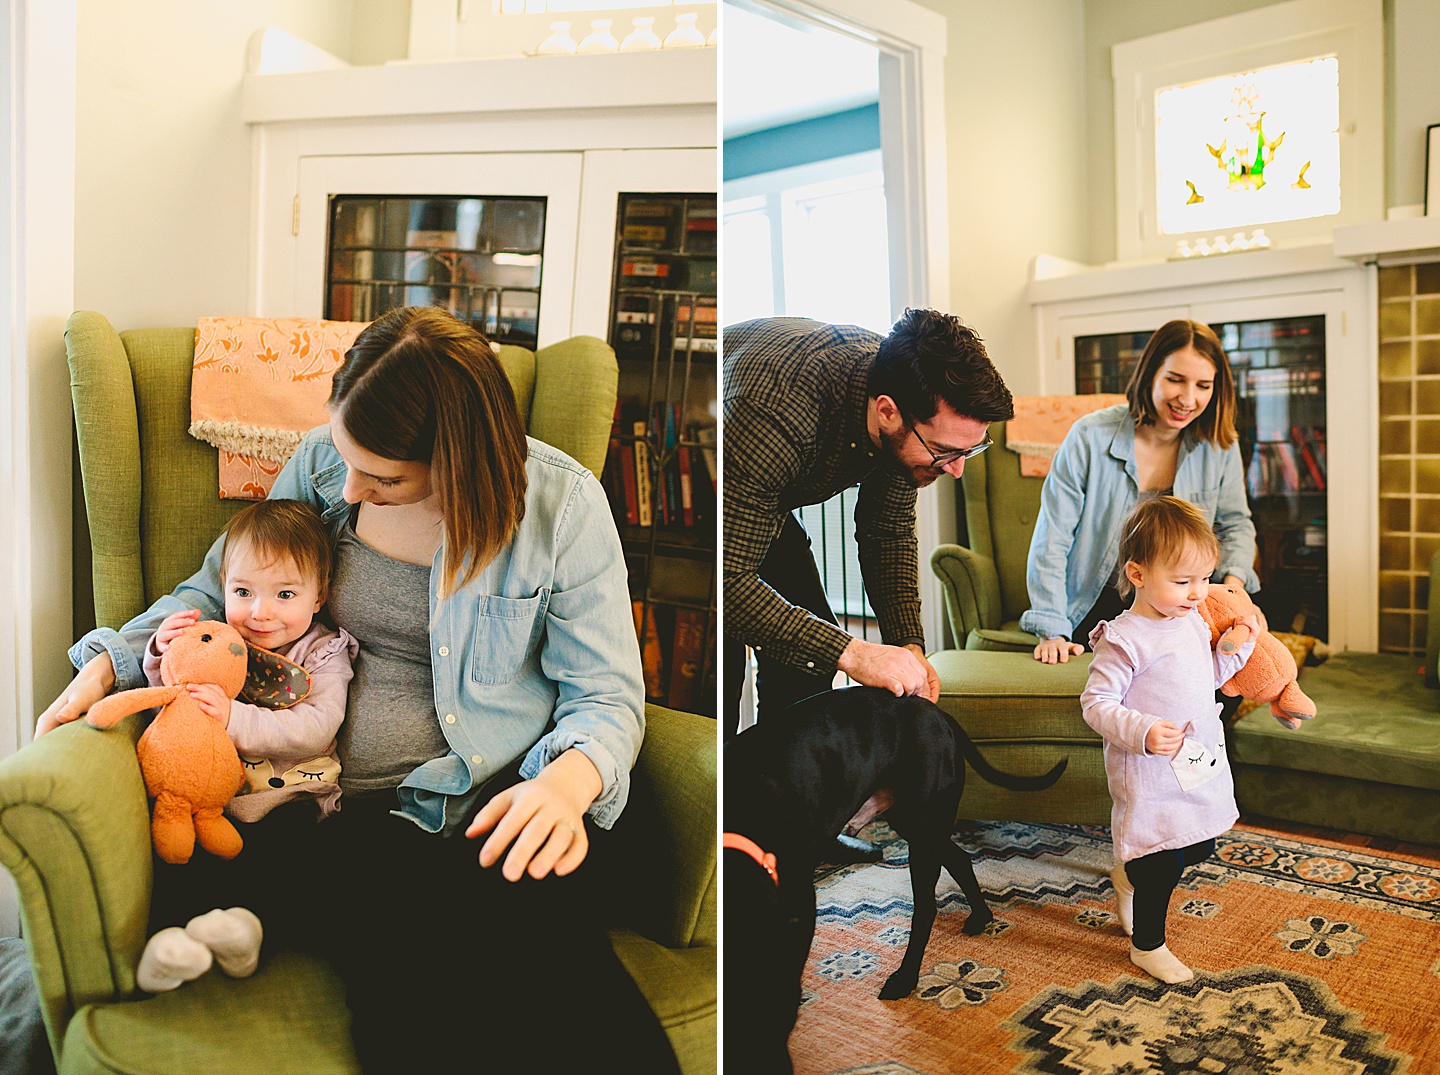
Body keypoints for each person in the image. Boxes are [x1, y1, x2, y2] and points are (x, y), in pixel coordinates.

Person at [37, 306, 678, 1074]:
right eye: (344, 454)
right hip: (356, 820)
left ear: (457, 460)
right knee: (407, 986)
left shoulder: (561, 509)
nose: (348, 483)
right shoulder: (319, 467)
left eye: (382, 476)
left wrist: (567, 785)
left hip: (502, 798)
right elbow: (216, 595)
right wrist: (109, 662)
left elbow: (605, 692)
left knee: (559, 972)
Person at [722, 310, 1013, 854]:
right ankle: (734, 853)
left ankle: (799, 831)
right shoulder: (777, 413)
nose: (955, 470)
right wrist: (854, 653)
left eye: (969, 451)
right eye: (946, 452)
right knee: (722, 674)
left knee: (804, 668)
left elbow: (887, 534)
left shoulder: (904, 410)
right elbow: (728, 581)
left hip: (771, 499)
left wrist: (908, 644)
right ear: (887, 413)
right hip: (727, 491)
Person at [127, 498, 357, 993]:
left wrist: (234, 717)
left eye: (285, 594)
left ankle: (248, 934)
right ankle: (167, 948)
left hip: (292, 798)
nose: (260, 612)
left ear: (319, 597)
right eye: (243, 591)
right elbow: (173, 700)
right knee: (176, 855)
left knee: (284, 863)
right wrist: (162, 652)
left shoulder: (323, 653)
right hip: (216, 798)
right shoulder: (220, 638)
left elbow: (316, 728)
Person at [1080, 496, 1299, 984]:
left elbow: (1204, 678)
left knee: (1199, 843)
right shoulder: (1124, 638)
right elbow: (1095, 704)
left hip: (1197, 755)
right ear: (1137, 574)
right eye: (1183, 582)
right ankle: (1148, 945)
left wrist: (1237, 657)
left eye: (1204, 579)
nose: (1199, 592)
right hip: (1150, 766)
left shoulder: (1193, 621)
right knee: (1164, 856)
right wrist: (1141, 730)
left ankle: (1127, 873)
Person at [1024, 319, 1258, 664]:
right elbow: (1052, 538)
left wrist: (1233, 593)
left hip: (1184, 603)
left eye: (1203, 385)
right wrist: (1052, 629)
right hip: (1097, 603)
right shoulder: (1089, 437)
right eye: (1175, 380)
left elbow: (1236, 525)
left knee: (1235, 667)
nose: (1188, 398)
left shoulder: (1220, 446)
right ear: (1150, 373)